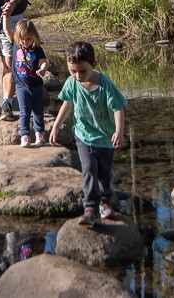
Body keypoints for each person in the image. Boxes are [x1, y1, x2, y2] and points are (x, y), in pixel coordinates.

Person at [49, 41, 127, 226]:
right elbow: (67, 104)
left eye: (82, 71)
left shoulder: (105, 84)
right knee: (89, 170)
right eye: (72, 71)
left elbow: (118, 108)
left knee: (104, 173)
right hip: (83, 136)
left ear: (93, 63)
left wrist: (119, 131)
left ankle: (106, 203)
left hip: (105, 138)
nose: (77, 75)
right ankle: (90, 208)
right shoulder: (72, 83)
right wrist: (56, 125)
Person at [3, 17, 48, 147]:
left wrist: (43, 68)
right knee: (24, 111)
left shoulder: (37, 49)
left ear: (34, 36)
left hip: (36, 86)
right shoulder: (15, 45)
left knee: (38, 111)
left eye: (28, 39)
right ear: (17, 38)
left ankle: (39, 134)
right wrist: (6, 16)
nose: (25, 42)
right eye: (22, 39)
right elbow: (6, 29)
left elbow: (44, 61)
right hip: (21, 86)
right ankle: (25, 136)